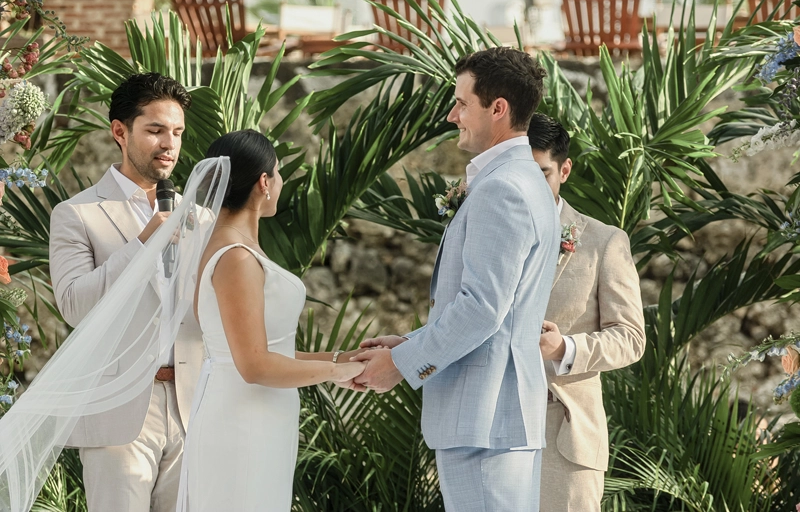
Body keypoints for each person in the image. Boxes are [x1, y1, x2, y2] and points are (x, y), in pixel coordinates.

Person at [354, 48, 560, 512]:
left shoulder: (504, 188)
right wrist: (410, 339)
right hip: (498, 417)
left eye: (462, 103)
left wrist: (403, 363)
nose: (452, 115)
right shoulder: (524, 180)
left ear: (498, 108)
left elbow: (483, 308)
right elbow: (498, 309)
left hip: (485, 420)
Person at [179, 129, 365, 511]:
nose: (280, 183)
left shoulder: (239, 249)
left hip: (261, 416)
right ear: (264, 182)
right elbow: (254, 364)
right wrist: (334, 374)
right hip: (243, 421)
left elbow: (273, 350)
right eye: (278, 174)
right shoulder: (236, 258)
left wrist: (344, 359)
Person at [48, 73, 200, 512]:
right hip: (120, 410)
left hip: (193, 409)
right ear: (120, 131)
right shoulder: (77, 214)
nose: (168, 144)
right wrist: (144, 243)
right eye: (154, 130)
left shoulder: (202, 216)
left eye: (176, 132)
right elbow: (76, 305)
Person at [528, 113, 646, 512]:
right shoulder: (482, 233)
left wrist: (565, 348)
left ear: (564, 170)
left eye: (540, 175)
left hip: (564, 436)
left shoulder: (604, 242)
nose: (528, 189)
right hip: (486, 430)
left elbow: (631, 337)